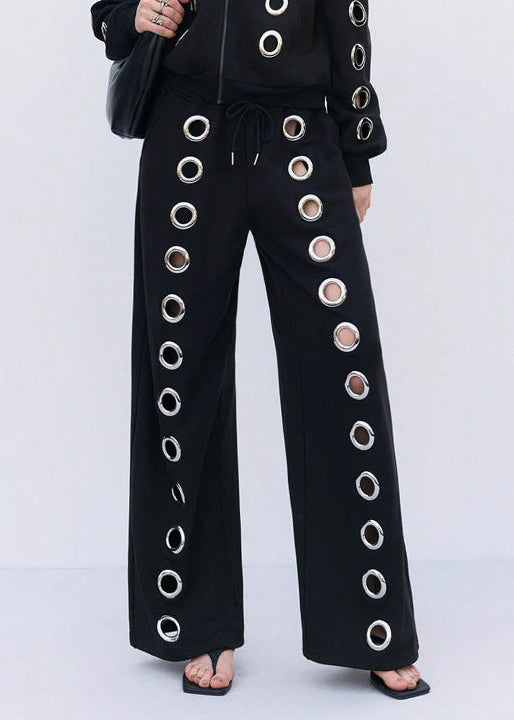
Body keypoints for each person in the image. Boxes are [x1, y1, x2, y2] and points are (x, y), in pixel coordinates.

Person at [90, 0, 430, 699]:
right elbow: (108, 12)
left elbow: (350, 20)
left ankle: (371, 624)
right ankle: (194, 618)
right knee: (181, 375)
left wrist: (356, 152)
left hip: (302, 145)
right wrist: (130, 16)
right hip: (186, 141)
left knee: (344, 375)